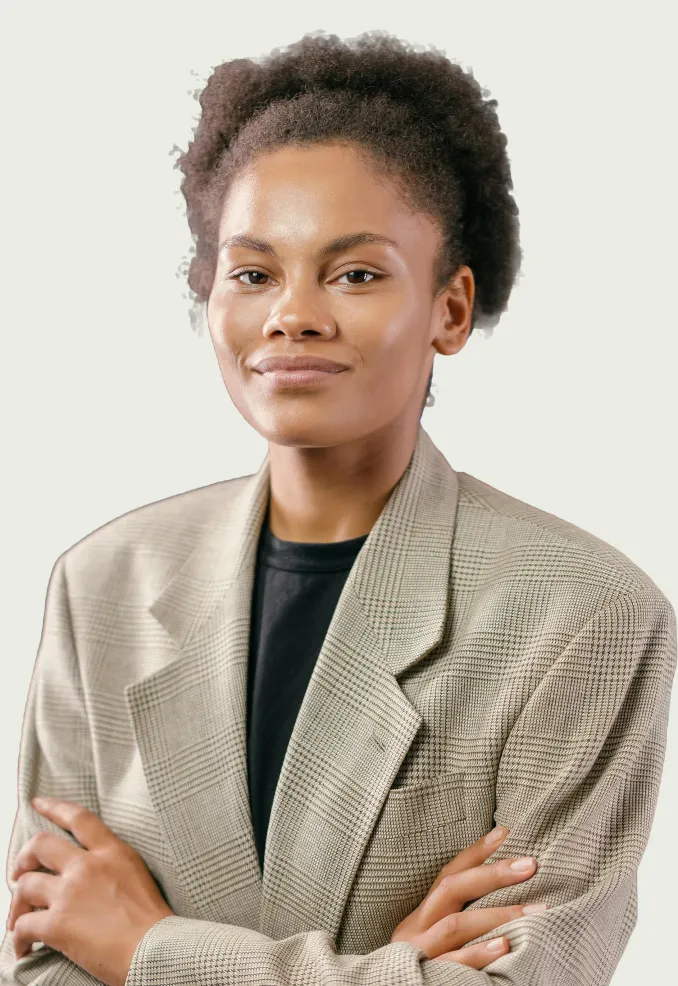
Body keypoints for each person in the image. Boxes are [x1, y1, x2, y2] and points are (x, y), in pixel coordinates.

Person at [2, 29, 675, 986]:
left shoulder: (584, 614)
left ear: (450, 308)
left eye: (355, 273)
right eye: (253, 273)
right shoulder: (102, 585)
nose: (293, 314)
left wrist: (148, 951)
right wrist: (391, 968)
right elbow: (42, 959)